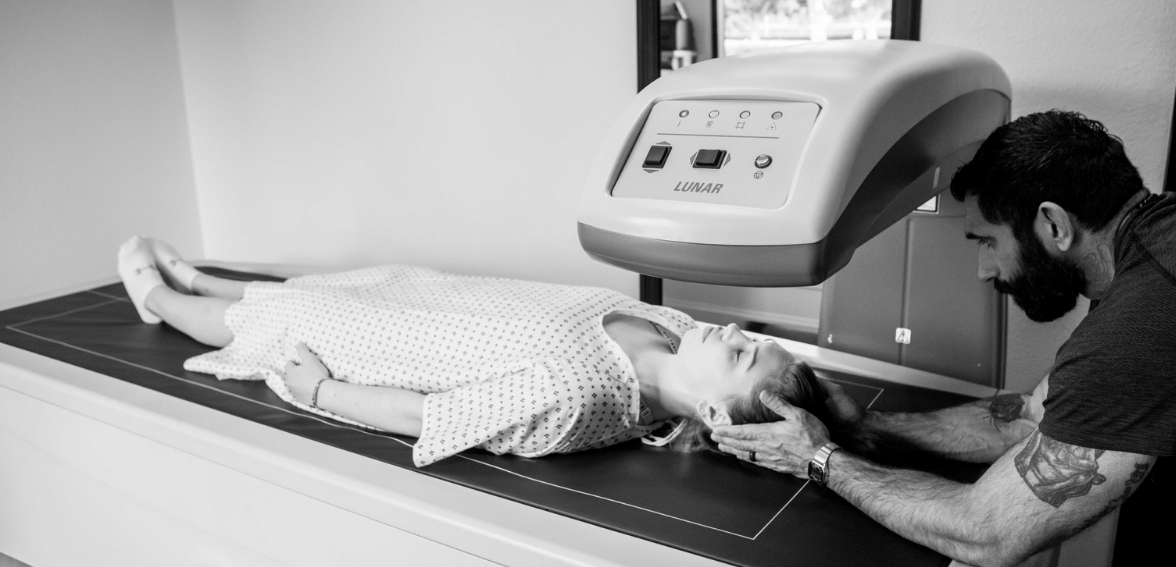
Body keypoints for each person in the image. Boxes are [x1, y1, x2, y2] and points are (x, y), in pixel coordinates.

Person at [711, 110, 1176, 566]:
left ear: (1054, 224)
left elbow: (987, 531)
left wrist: (817, 458)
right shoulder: (1164, 246)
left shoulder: (1142, 323)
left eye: (988, 241)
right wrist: (867, 424)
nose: (985, 271)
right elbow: (1031, 419)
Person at [116, 235, 829, 466]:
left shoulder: (581, 397)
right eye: (749, 340)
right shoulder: (672, 320)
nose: (735, 334)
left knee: (282, 317)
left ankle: (161, 301)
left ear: (712, 409)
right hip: (431, 297)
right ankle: (202, 275)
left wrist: (318, 393)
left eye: (740, 356)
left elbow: (438, 418)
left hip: (393, 348)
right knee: (329, 283)